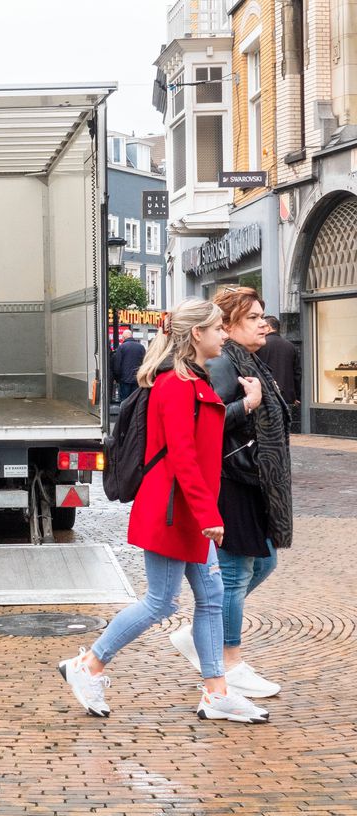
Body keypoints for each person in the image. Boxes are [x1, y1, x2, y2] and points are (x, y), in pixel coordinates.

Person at [58, 298, 268, 724]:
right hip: (174, 510)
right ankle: (88, 666)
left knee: (209, 597)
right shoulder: (175, 385)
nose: (224, 335)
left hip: (184, 508)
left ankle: (216, 692)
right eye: (217, 329)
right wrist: (210, 514)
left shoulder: (191, 380)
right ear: (197, 335)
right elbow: (184, 457)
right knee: (160, 602)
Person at [169, 287, 292, 699]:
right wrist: (250, 405)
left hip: (251, 481)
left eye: (263, 316)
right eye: (253, 317)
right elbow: (205, 426)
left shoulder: (248, 359)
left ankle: (198, 633)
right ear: (230, 324)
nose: (264, 323)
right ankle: (228, 660)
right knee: (236, 573)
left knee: (265, 562)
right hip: (229, 482)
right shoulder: (223, 365)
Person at [258, 315, 301, 406]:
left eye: (262, 327)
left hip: (265, 397)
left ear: (268, 328)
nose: (259, 329)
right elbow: (297, 374)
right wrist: (297, 396)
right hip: (287, 398)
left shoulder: (259, 345)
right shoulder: (290, 346)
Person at [110, 329, 146, 403]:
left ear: (123, 338)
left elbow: (117, 365)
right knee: (135, 401)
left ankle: (125, 414)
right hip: (137, 379)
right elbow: (144, 362)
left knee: (124, 401)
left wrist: (117, 378)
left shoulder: (122, 347)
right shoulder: (141, 347)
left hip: (125, 380)